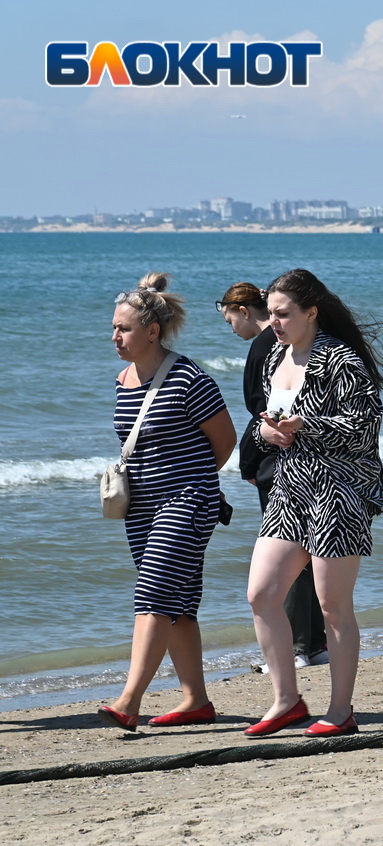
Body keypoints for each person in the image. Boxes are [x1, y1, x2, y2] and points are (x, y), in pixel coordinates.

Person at [244, 269, 383, 738]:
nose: (274, 323)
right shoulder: (275, 355)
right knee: (261, 594)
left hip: (337, 491)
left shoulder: (341, 359)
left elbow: (365, 429)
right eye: (271, 314)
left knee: (333, 606)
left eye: (283, 314)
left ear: (311, 312)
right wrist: (266, 431)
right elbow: (261, 421)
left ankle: (339, 711)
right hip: (289, 487)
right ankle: (287, 701)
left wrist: (305, 426)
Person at [98, 272, 238, 732]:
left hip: (187, 500)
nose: (115, 336)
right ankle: (196, 700)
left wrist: (193, 483)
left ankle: (129, 700)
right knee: (178, 602)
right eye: (114, 327)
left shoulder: (188, 378)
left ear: (152, 332)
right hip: (140, 507)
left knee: (153, 594)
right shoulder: (123, 380)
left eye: (124, 328)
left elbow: (225, 441)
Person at [217, 282, 327, 670]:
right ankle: (313, 642)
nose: (232, 328)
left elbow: (259, 412)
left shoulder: (265, 345)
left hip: (279, 460)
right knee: (307, 551)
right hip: (301, 457)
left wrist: (250, 464)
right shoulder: (293, 343)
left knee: (287, 553)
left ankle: (297, 646)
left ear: (244, 311)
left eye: (229, 319)